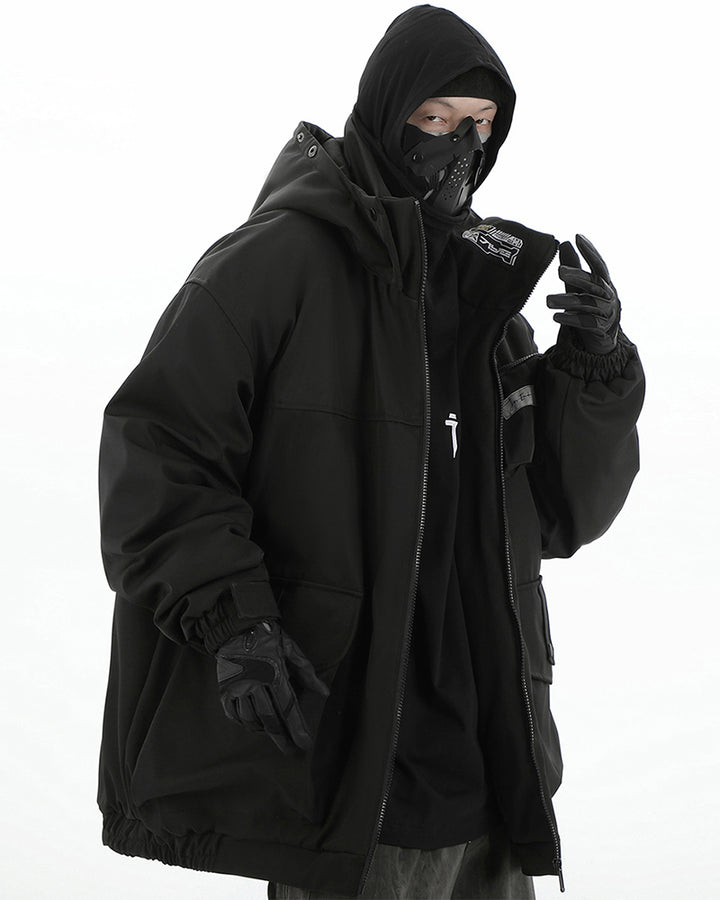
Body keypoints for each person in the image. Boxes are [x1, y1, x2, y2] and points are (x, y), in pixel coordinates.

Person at [97, 5, 645, 899]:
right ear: (387, 112)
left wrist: (595, 368)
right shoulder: (273, 266)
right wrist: (233, 617)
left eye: (482, 125)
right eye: (437, 118)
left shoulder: (485, 304)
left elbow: (555, 516)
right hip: (350, 764)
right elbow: (158, 448)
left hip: (488, 766)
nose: (460, 147)